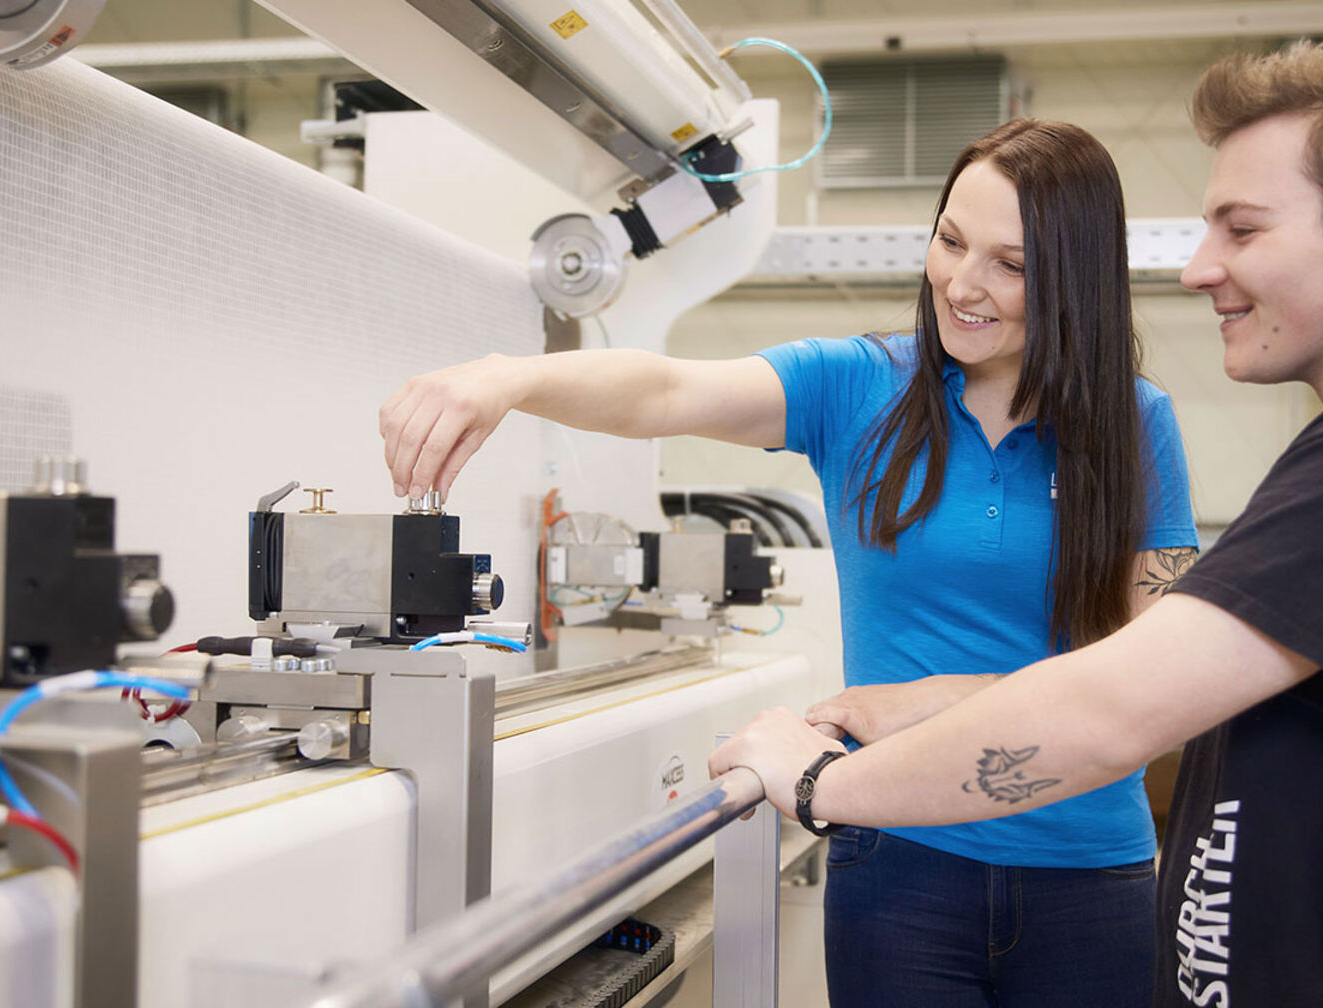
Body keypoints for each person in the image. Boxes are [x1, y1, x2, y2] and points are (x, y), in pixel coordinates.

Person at [711, 33, 1323, 1007]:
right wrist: (925, 701)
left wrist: (815, 787)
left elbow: (1112, 714)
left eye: (1242, 229)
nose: (1197, 267)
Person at [381, 119, 1199, 1007]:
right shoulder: (859, 388)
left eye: (1011, 264)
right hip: (899, 861)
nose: (963, 285)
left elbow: (1167, 679)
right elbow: (666, 389)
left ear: (1074, 277)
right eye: (951, 241)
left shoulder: (1133, 425)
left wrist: (938, 701)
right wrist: (510, 377)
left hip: (1091, 875)